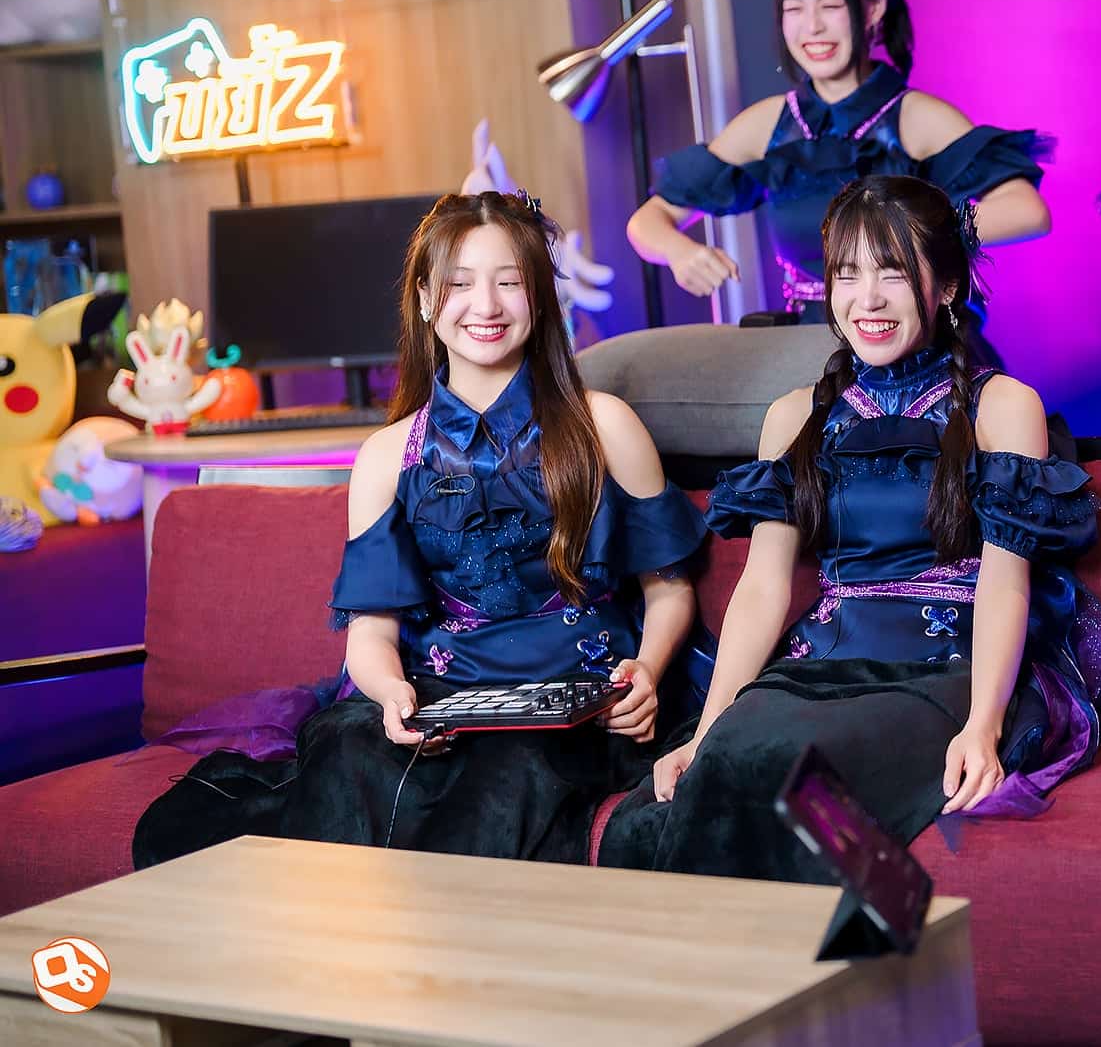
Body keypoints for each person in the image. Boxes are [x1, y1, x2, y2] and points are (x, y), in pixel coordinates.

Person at [134, 191, 707, 863]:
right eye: (460, 284)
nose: (486, 305)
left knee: (508, 775)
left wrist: (647, 671)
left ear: (540, 298)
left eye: (509, 282)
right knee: (347, 753)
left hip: (580, 704)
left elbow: (670, 588)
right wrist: (390, 693)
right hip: (446, 701)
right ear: (428, 300)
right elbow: (370, 633)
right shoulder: (387, 457)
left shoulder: (603, 424)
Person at [600, 174, 1101, 879]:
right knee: (681, 794)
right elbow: (762, 589)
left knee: (788, 775)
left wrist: (983, 726)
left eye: (892, 273)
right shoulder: (793, 416)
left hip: (943, 671)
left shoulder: (1001, 406)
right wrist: (708, 730)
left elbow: (1005, 583)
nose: (866, 298)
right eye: (847, 273)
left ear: (947, 285)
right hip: (821, 668)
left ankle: (865, 933)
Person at [626, 0, 1052, 347]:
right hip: (808, 349)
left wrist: (910, 232)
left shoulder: (914, 117)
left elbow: (1028, 211)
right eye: (794, 9)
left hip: (912, 345)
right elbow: (647, 221)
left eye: (830, 6)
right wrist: (680, 252)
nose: (812, 27)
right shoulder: (768, 124)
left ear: (873, 7)